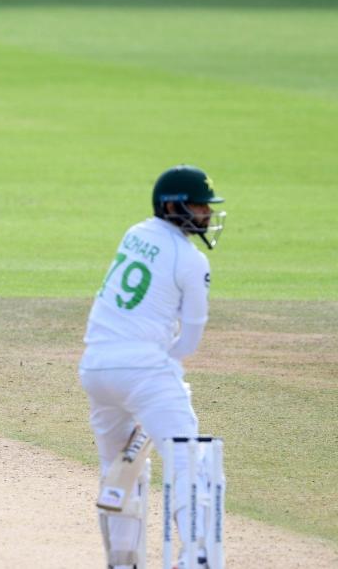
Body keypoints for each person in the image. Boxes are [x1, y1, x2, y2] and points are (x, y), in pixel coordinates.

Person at [79, 165, 225, 568]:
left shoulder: (136, 233)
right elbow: (190, 340)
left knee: (118, 470)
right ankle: (196, 556)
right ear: (174, 206)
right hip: (143, 370)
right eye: (199, 206)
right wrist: (156, 379)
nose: (207, 215)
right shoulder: (191, 260)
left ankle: (123, 563)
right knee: (187, 460)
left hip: (95, 367)